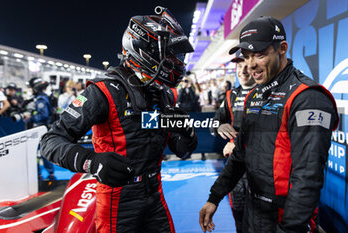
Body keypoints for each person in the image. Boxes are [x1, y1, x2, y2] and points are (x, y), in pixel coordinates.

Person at [41, 6, 197, 233]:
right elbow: (51, 140)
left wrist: (187, 132)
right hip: (117, 199)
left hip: (154, 192)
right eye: (170, 54)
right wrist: (92, 161)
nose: (177, 61)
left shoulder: (164, 93)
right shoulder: (103, 91)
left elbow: (182, 149)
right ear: (144, 49)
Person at [199, 16, 339, 233]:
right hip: (253, 211)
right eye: (246, 57)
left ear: (282, 48)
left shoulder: (307, 98)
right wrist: (214, 197)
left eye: (260, 55)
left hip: (286, 219)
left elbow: (307, 177)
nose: (250, 65)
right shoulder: (254, 96)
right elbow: (240, 155)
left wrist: (291, 228)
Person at [210, 51, 256, 233]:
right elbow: (214, 122)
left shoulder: (269, 93)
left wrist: (237, 144)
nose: (243, 71)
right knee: (238, 213)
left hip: (262, 168)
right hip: (235, 168)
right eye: (239, 66)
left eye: (247, 66)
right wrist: (219, 127)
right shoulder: (231, 95)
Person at [26, 77, 55, 180]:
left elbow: (43, 115)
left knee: (38, 152)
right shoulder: (43, 97)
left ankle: (40, 173)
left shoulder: (41, 98)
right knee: (43, 151)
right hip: (44, 128)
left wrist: (31, 118)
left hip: (40, 129)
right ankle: (49, 172)